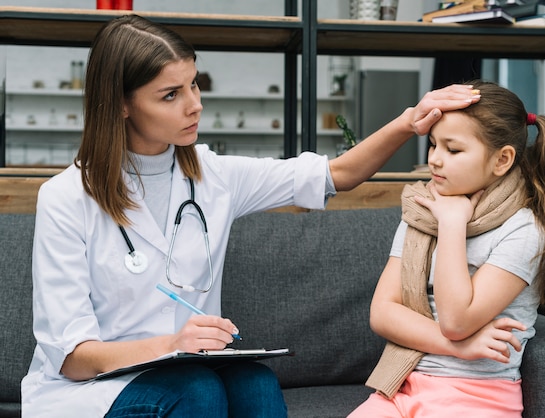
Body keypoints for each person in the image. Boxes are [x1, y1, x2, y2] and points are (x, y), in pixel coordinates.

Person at [20, 14, 481, 418]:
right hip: (90, 393)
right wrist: (171, 346)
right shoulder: (65, 198)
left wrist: (409, 121)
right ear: (121, 103)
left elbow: (338, 174)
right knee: (196, 388)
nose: (195, 103)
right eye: (170, 94)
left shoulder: (212, 175)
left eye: (194, 83)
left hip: (185, 373)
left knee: (254, 382)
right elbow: (74, 357)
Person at [348, 80, 545, 417]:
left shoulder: (524, 230)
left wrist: (452, 225)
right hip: (402, 385)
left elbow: (456, 320)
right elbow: (382, 313)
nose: (435, 160)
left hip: (475, 396)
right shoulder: (423, 211)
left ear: (502, 160)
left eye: (453, 150)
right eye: (433, 145)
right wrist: (461, 347)